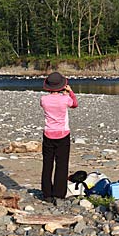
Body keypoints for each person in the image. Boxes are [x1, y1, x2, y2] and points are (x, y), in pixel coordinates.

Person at [40, 72, 78, 204]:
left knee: (47, 164)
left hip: (48, 133)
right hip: (62, 134)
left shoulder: (43, 99)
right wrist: (69, 92)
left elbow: (54, 103)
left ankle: (47, 193)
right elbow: (74, 104)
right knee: (62, 164)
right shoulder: (65, 99)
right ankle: (59, 193)